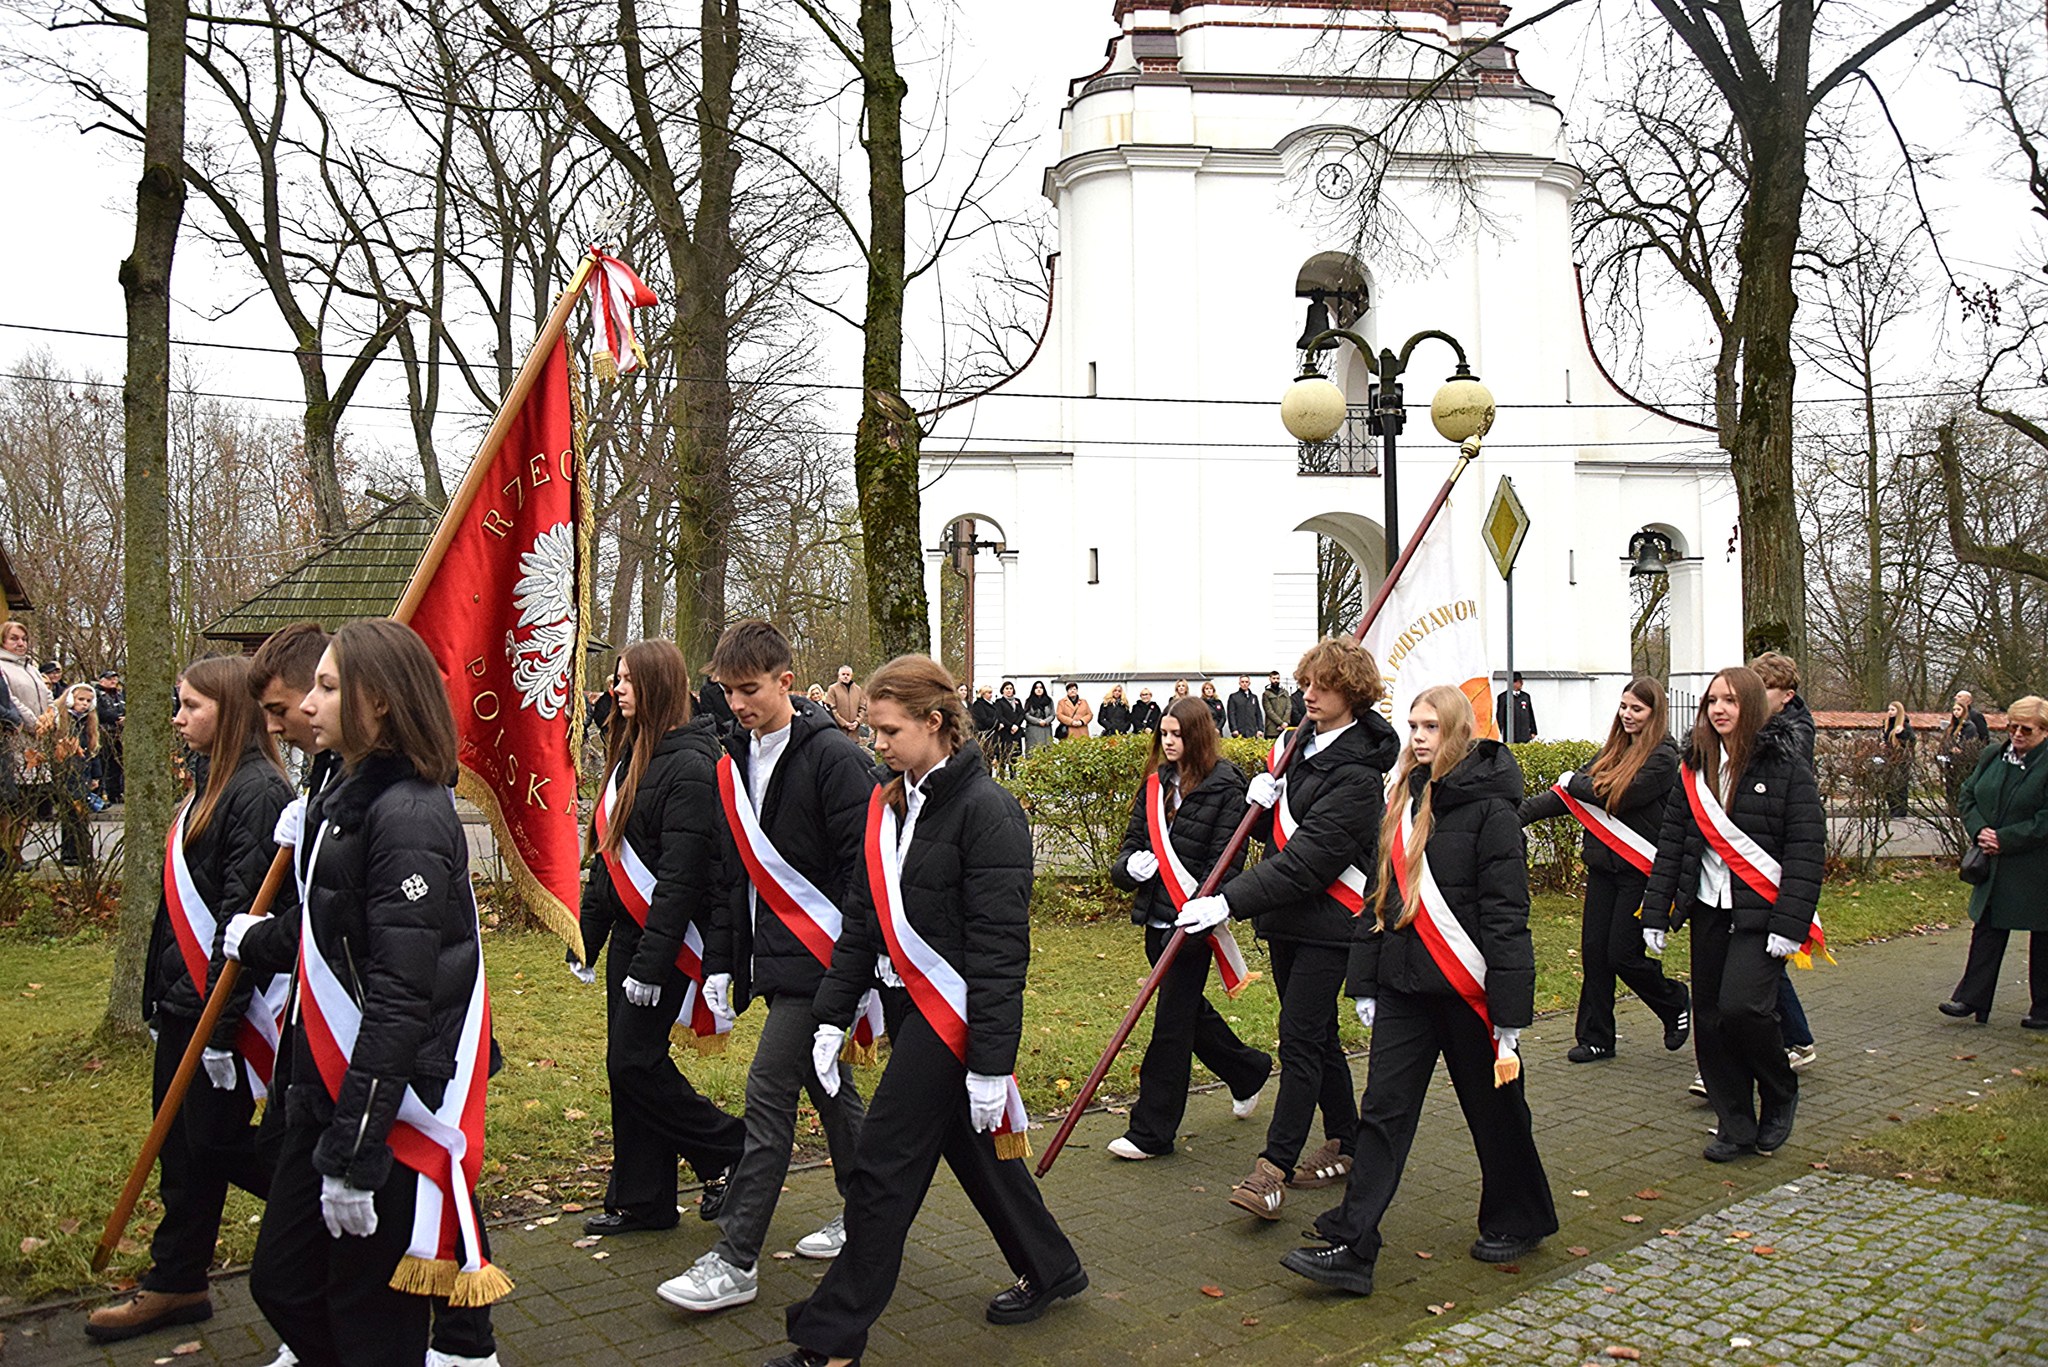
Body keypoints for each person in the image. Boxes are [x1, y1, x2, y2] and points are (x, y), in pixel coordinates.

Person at [773, 656, 1086, 1367]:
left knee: (882, 1164)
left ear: (935, 723)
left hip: (956, 1024)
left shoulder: (989, 811)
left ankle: (832, 1337)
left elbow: (1002, 954)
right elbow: (862, 919)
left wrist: (991, 1065)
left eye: (888, 729)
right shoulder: (891, 804)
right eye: (873, 729)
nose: (875, 742)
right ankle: (1053, 1264)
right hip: (908, 1007)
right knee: (974, 1153)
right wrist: (831, 1013)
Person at [232, 622, 501, 1367]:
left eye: (327, 686)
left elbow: (399, 996)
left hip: (386, 1104)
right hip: (328, 1085)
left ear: (377, 702)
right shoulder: (344, 792)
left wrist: (354, 1155)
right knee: (283, 1283)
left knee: (367, 1318)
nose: (307, 704)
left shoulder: (409, 814)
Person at [1284, 685, 1556, 1296]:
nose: (1419, 736)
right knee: (1382, 1114)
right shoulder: (1403, 797)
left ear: (1458, 730)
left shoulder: (1493, 810)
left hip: (1469, 992)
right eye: (1412, 725)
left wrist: (1509, 1017)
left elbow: (1507, 916)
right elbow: (1379, 900)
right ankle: (1354, 1246)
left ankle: (1520, 1216)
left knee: (1496, 1113)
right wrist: (1366, 981)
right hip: (1406, 986)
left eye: (1431, 725)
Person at [660, 622, 875, 1314]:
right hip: (773, 957)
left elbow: (859, 873)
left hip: (824, 961)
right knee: (827, 1085)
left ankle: (736, 1255)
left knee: (767, 1092)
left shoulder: (834, 760)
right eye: (727, 690)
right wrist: (722, 964)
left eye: (749, 689)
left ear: (786, 681)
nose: (737, 703)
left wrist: (851, 974)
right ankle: (871, 1207)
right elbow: (735, 877)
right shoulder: (735, 756)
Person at [88, 655, 294, 1343]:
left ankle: (341, 1211)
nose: (178, 719)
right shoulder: (212, 782)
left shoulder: (258, 791)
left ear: (229, 710)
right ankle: (178, 1279)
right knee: (184, 1148)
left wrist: (217, 1029)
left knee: (214, 1143)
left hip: (218, 1009)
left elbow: (243, 920)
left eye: (191, 706)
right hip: (186, 1000)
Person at [1173, 638, 1398, 1221]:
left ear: (1352, 694)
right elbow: (1276, 843)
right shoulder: (1296, 746)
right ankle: (1348, 1141)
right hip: (1286, 919)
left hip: (1329, 921)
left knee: (1298, 1039)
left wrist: (1227, 903)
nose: (1309, 693)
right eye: (1307, 682)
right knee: (1317, 1035)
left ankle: (1272, 1169)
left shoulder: (1357, 776)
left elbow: (1308, 862)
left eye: (1323, 685)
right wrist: (1263, 805)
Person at [578, 640, 747, 1236]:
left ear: (656, 686)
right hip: (631, 934)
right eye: (616, 679)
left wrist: (651, 968)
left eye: (627, 680)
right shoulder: (629, 756)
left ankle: (731, 1147)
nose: (616, 689)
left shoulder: (691, 765)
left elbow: (680, 881)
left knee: (633, 1064)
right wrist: (586, 934)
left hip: (670, 942)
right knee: (627, 1064)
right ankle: (644, 1199)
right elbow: (608, 857)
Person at [1640, 666, 1825, 1162]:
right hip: (1708, 908)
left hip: (1761, 914)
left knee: (1745, 1009)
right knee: (1713, 1020)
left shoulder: (1785, 766)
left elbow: (1806, 849)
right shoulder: (1694, 768)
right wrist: (1656, 913)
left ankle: (1780, 1090)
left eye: (1731, 701)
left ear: (1753, 707)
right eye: (1712, 701)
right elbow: (1673, 845)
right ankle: (1735, 1123)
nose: (1719, 709)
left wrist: (1791, 924)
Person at [1106, 698, 1272, 1158]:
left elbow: (1227, 862)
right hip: (1157, 925)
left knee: (1171, 1027)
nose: (1169, 742)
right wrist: (1129, 870)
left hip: (1193, 927)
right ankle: (1248, 1070)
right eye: (1164, 734)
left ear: (1198, 735)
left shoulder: (1226, 786)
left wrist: (1203, 909)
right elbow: (1132, 845)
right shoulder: (1156, 786)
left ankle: (1151, 1132)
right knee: (1189, 1015)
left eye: (1178, 734)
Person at [1520, 678, 1690, 1062]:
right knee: (1595, 953)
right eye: (1624, 706)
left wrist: (1576, 781)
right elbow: (1568, 794)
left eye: (1637, 709)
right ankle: (1597, 1037)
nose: (1628, 715)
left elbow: (1619, 795)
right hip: (1602, 867)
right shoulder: (1612, 750)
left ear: (1655, 713)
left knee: (1623, 954)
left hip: (1640, 870)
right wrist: (1521, 814)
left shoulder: (1664, 757)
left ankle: (1673, 999)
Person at [1940, 696, 2048, 1028]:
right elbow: (1967, 795)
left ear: (2044, 731)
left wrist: (2007, 838)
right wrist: (1980, 830)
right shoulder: (1994, 755)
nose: (2016, 734)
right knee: (1987, 927)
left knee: (2043, 935)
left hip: (2036, 865)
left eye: (2026, 730)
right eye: (2011, 727)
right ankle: (1971, 998)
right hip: (1993, 863)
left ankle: (2044, 1008)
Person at [1749, 651, 1819, 1074]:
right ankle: (1790, 1037)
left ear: (1787, 695)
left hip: (1771, 856)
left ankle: (1795, 1038)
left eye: (1764, 692)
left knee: (1765, 954)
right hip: (1754, 851)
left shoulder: (1794, 732)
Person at [0, 620, 51, 866]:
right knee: (12, 799)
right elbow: (10, 700)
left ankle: (18, 847)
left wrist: (51, 717)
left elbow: (47, 695)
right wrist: (34, 723)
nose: (20, 643)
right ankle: (7, 850)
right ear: (3, 641)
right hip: (16, 738)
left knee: (31, 800)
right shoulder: (2, 667)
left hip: (38, 741)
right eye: (14, 638)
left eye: (23, 638)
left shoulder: (31, 668)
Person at [49, 682, 101, 864]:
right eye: (81, 699)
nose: (85, 704)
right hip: (66, 772)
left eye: (88, 701)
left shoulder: (89, 722)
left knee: (82, 814)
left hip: (83, 773)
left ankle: (83, 852)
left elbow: (93, 751)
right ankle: (70, 853)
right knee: (70, 814)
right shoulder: (62, 720)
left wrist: (96, 776)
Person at [1878, 700, 1915, 818]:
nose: (1890, 712)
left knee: (1900, 785)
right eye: (1889, 709)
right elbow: (1886, 739)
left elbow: (1911, 741)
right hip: (1889, 757)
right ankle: (1892, 809)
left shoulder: (1904, 725)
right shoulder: (1887, 725)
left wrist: (1901, 734)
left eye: (1893, 710)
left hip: (1900, 759)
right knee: (1889, 785)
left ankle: (1901, 810)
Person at [96, 666, 126, 805]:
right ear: (101, 681)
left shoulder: (120, 695)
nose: (113, 681)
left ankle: (115, 793)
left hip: (119, 733)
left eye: (115, 678)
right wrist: (116, 718)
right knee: (103, 764)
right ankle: (101, 793)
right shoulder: (97, 694)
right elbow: (100, 713)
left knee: (117, 764)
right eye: (109, 679)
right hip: (104, 731)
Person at [992, 681, 1026, 775]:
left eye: (1010, 688)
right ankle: (1002, 776)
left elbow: (1021, 714)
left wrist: (1016, 725)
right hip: (1005, 732)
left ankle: (1013, 777)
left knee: (1015, 756)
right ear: (1002, 690)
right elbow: (1000, 716)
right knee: (1004, 756)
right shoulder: (999, 702)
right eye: (1006, 688)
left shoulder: (1017, 701)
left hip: (1016, 732)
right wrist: (1010, 725)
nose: (1009, 690)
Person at [1495, 672, 1539, 743]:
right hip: (1511, 732)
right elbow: (1500, 715)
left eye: (1521, 682)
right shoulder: (1503, 697)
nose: (1521, 684)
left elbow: (1530, 714)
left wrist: (1533, 730)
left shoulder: (1525, 696)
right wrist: (1498, 731)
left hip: (1524, 732)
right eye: (1519, 682)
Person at [825, 665, 865, 741]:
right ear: (839, 675)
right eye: (843, 674)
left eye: (848, 674)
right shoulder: (832, 689)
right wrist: (844, 723)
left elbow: (862, 708)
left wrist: (857, 722)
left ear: (851, 676)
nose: (845, 676)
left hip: (854, 733)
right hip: (838, 732)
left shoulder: (858, 690)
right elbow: (831, 709)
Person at [1022, 680, 1056, 754]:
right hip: (1033, 730)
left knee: (1047, 752)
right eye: (1036, 688)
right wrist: (1038, 721)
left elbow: (1052, 714)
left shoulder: (1049, 701)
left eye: (1041, 687)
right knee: (1033, 752)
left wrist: (1045, 721)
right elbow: (1026, 715)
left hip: (1046, 729)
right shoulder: (1029, 701)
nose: (1039, 689)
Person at [970, 685, 1001, 762]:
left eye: (991, 692)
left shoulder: (993, 704)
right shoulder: (978, 704)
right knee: (986, 757)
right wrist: (997, 724)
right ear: (983, 694)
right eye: (989, 693)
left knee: (993, 756)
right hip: (985, 734)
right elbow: (983, 719)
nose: (991, 695)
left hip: (994, 734)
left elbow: (998, 716)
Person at [1226, 675, 1261, 740]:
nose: (1244, 684)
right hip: (1239, 732)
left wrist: (1260, 729)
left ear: (1249, 683)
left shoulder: (1253, 697)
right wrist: (1234, 729)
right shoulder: (1233, 697)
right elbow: (1231, 714)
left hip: (1252, 731)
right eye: (1242, 682)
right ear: (1239, 683)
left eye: (1246, 682)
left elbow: (1258, 714)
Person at [1261, 670, 1292, 739]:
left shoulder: (1285, 692)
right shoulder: (1266, 694)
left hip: (1284, 728)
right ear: (1270, 679)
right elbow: (1269, 711)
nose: (1276, 680)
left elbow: (1289, 707)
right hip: (1272, 730)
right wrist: (1281, 723)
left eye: (1277, 678)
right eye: (1274, 678)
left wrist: (1285, 722)